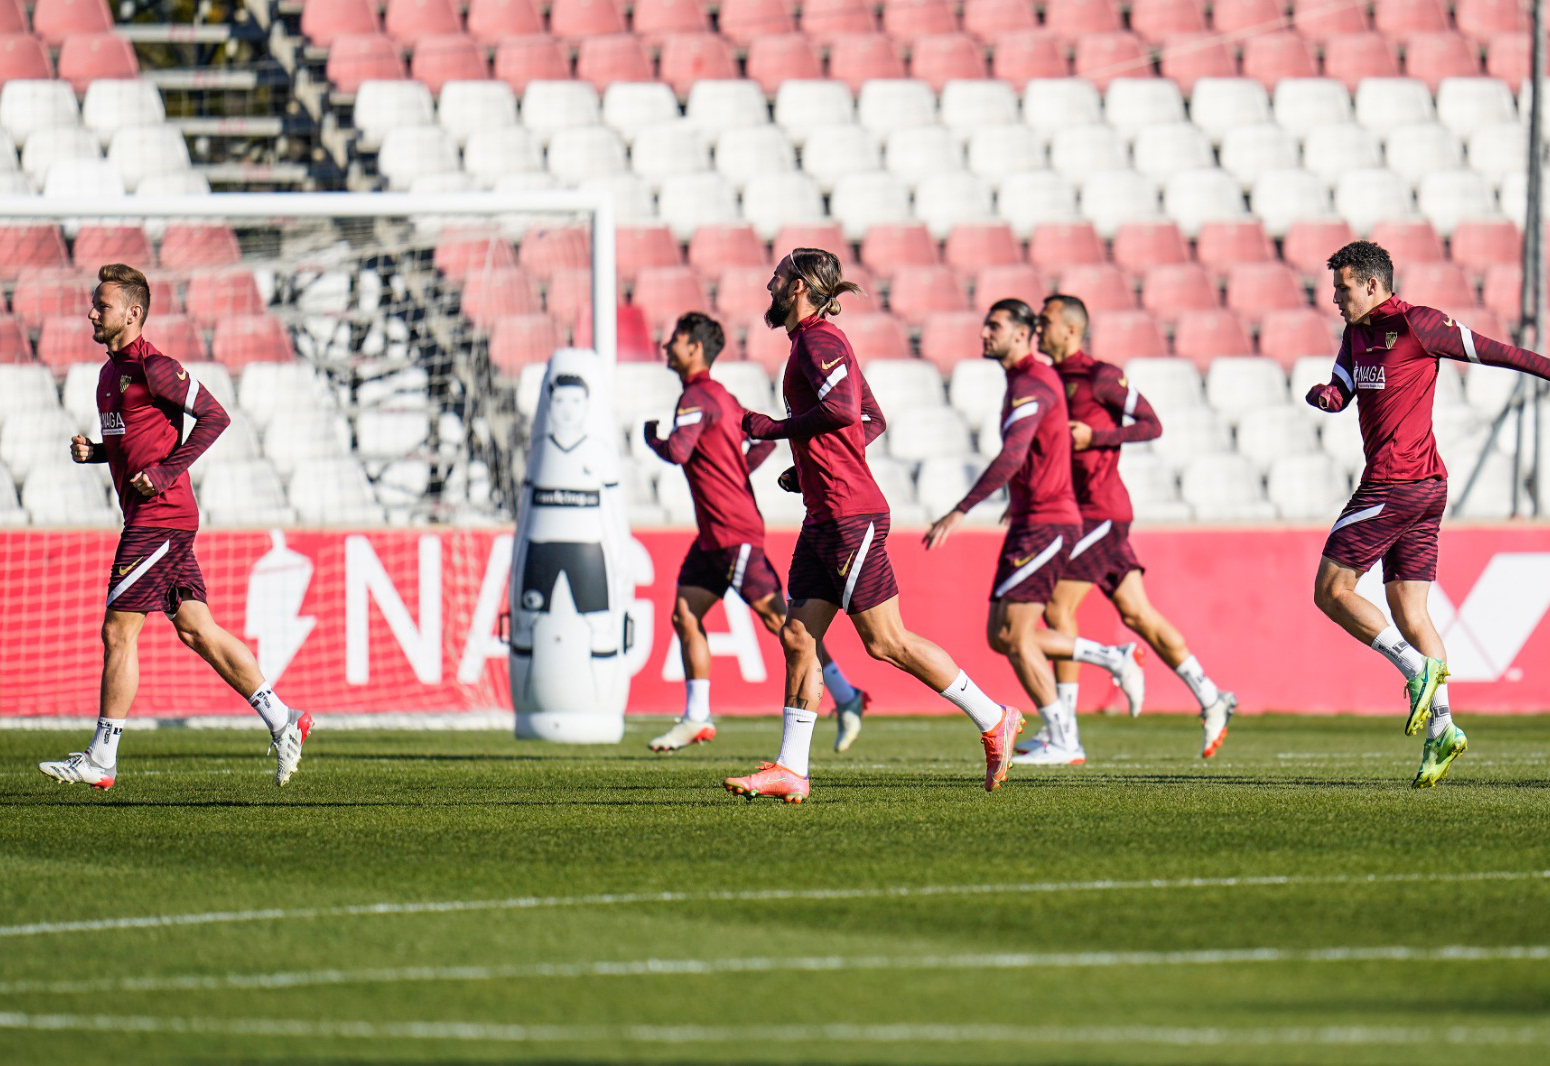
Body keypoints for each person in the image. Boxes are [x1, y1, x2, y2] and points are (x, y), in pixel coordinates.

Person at [723, 248, 1024, 803]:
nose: (769, 282)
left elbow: (841, 410)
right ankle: (793, 769)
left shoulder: (819, 341)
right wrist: (811, 467)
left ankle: (993, 717)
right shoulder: (812, 343)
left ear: (798, 287)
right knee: (797, 637)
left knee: (885, 642)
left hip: (848, 514)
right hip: (825, 510)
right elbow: (871, 418)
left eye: (777, 276)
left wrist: (776, 430)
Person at [38, 264, 312, 791]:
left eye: (103, 305)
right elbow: (136, 444)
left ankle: (103, 756)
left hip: (160, 515)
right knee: (196, 629)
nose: (92, 312)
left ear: (133, 313)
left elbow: (215, 416)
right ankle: (283, 719)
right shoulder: (108, 374)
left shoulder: (156, 367)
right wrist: (97, 453)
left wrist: (165, 472)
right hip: (158, 516)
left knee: (119, 630)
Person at [1307, 240, 1550, 787]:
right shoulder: (1356, 334)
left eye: (1343, 289)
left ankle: (1417, 671)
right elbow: (1343, 388)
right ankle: (1444, 729)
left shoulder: (1421, 325)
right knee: (1410, 610)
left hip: (1396, 484)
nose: (1336, 299)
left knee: (1330, 590)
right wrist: (1326, 395)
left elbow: (1498, 352)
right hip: (1424, 489)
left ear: (1372, 285)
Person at [923, 298, 1145, 767]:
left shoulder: (1034, 382)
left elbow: (1013, 455)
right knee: (999, 635)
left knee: (1019, 635)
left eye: (995, 326)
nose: (985, 332)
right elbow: (1043, 452)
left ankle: (1065, 739)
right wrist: (1017, 501)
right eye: (985, 325)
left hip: (1048, 522)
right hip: (1031, 518)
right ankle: (1112, 658)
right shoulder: (1020, 382)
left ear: (1022, 334)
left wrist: (961, 509)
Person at [642, 312, 869, 754]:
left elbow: (678, 450)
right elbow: (759, 444)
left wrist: (653, 438)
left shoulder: (696, 398)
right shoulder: (724, 399)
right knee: (685, 614)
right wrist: (732, 474)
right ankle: (696, 716)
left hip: (733, 531)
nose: (667, 346)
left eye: (675, 339)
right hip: (713, 534)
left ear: (694, 348)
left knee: (781, 623)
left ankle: (846, 696)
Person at [1036, 294, 1238, 759]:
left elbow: (1151, 424)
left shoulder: (1100, 375)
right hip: (1078, 512)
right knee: (1137, 614)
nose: (1038, 329)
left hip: (1099, 513)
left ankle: (1064, 736)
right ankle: (1211, 697)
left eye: (1045, 321)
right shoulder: (1047, 379)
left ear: (1070, 330)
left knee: (1055, 608)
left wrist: (1098, 437)